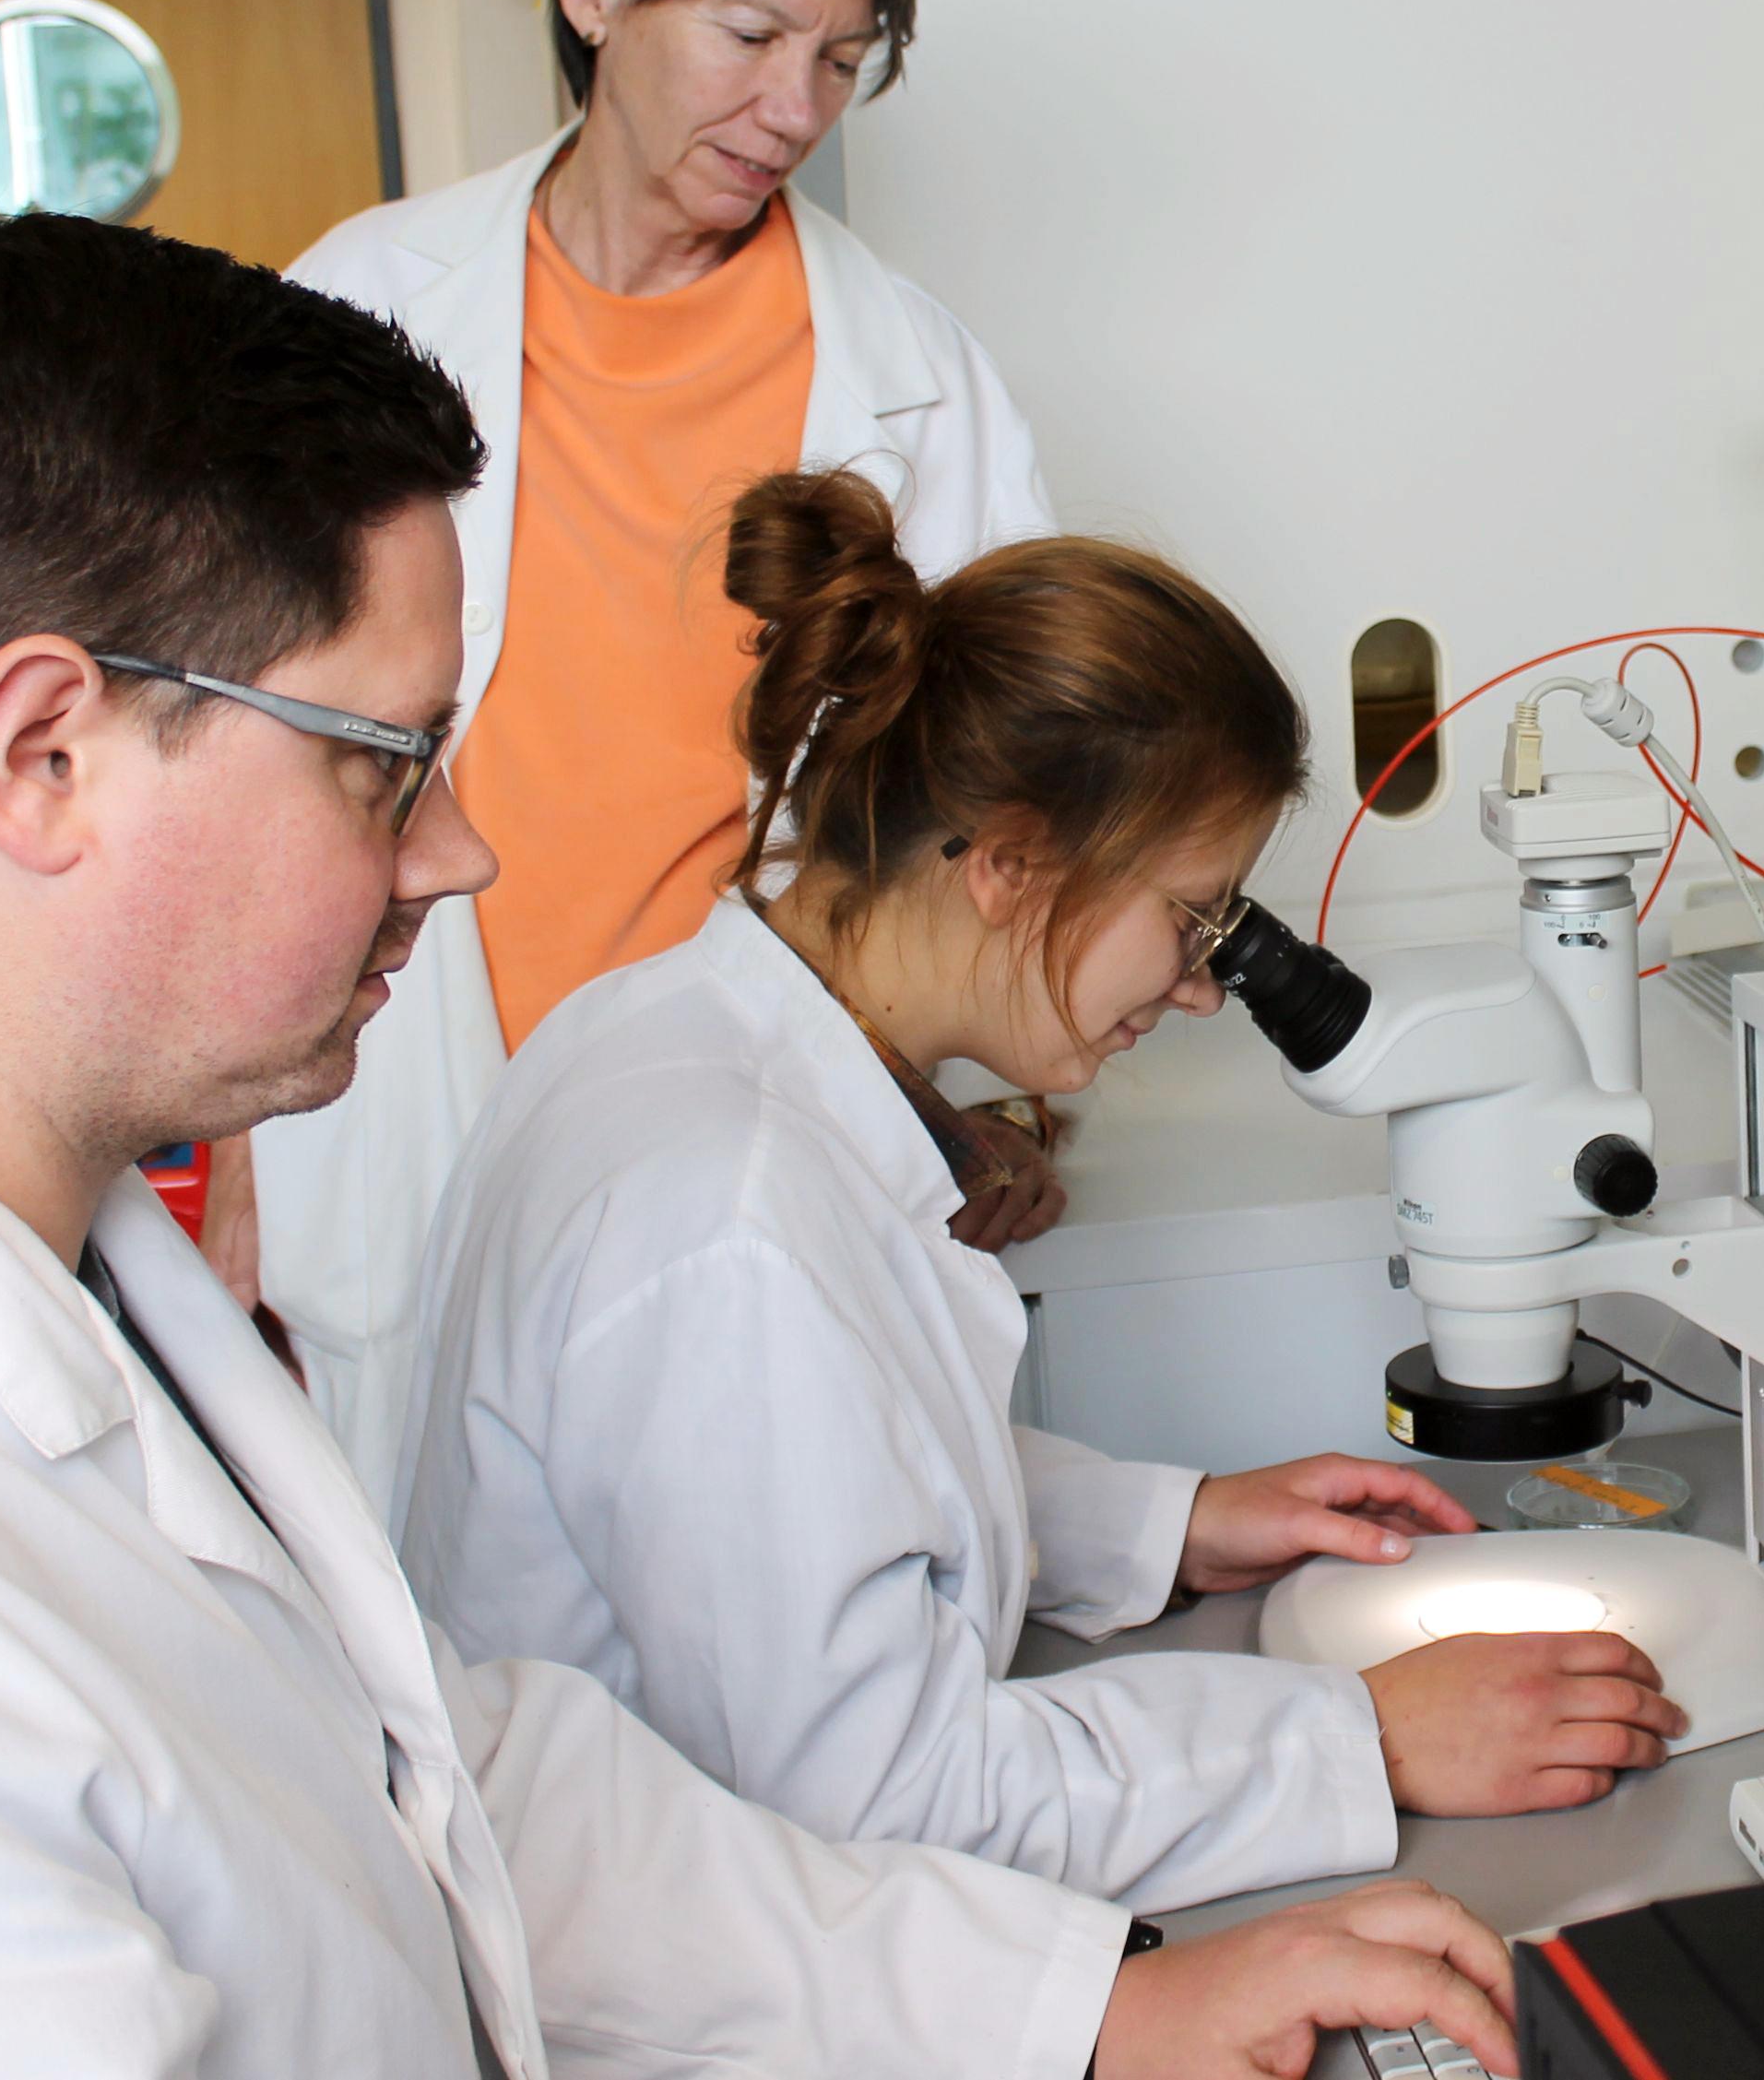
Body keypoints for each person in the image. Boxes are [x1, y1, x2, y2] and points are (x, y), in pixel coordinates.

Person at [0, 218, 1518, 2076]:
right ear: (39, 753)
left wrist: (1062, 2013)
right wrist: (1311, 1759)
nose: (459, 854)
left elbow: (444, 1786)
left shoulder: (38, 1242)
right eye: (382, 765)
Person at [393, 470, 1690, 1912]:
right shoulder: (728, 1217)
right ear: (1009, 864)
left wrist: (1162, 1522)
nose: (1203, 986)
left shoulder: (671, 1033)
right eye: (1190, 916)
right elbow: (894, 1806)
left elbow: (822, 1482)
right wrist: (1368, 1736)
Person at [240, 0, 1060, 1501]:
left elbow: (1004, 790)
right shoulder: (360, 305)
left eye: (840, 63)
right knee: (441, 1691)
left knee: (780, 1634)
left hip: (752, 1128)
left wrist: (1003, 1100)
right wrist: (237, 1162)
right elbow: (227, 736)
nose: (792, 107)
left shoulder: (914, 371)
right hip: (416, 1097)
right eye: (750, 33)